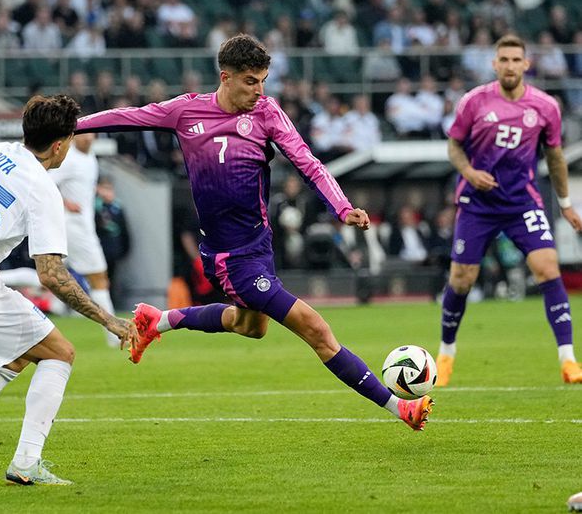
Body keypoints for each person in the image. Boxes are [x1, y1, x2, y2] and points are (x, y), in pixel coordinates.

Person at [77, 34, 433, 432]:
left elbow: (308, 163)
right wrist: (71, 126)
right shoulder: (186, 111)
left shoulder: (266, 112)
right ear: (225, 77)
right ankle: (400, 408)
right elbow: (128, 116)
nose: (259, 90)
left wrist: (343, 207)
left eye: (263, 80)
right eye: (250, 81)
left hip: (260, 246)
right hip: (230, 258)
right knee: (317, 330)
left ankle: (157, 320)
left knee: (251, 326)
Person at [0, 94, 137, 485]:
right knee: (60, 353)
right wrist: (109, 320)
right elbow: (51, 276)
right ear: (60, 145)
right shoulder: (42, 188)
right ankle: (26, 463)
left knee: (13, 358)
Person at [435, 34, 582, 386]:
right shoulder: (474, 101)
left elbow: (555, 158)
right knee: (461, 279)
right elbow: (454, 146)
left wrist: (565, 204)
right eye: (504, 60)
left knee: (548, 267)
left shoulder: (545, 106)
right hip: (477, 203)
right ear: (494, 64)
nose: (510, 66)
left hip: (521, 202)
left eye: (516, 60)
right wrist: (470, 172)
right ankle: (446, 353)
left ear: (526, 64)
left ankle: (568, 360)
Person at [48, 132, 119, 347]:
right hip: (73, 227)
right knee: (99, 278)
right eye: (82, 134)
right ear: (74, 136)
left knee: (55, 273)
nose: (87, 138)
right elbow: (45, 182)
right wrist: (65, 202)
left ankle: (55, 303)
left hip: (83, 226)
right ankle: (115, 334)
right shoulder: (68, 159)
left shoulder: (90, 158)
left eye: (90, 133)